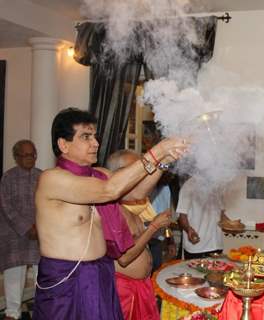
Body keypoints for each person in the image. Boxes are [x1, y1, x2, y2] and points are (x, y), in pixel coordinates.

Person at [32, 107, 188, 319]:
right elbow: (109, 191)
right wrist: (157, 151)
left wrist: (164, 160)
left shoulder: (100, 174)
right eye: (86, 137)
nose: (95, 143)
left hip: (101, 273)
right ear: (63, 144)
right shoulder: (52, 179)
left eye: (95, 136)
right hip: (68, 278)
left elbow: (137, 192)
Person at [107, 150, 172, 320]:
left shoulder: (132, 205)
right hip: (124, 292)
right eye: (137, 169)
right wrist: (154, 226)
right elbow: (125, 257)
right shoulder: (112, 209)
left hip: (141, 286)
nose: (142, 175)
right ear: (119, 174)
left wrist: (166, 159)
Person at [0, 140, 41, 320]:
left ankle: (42, 310)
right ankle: (12, 312)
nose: (30, 158)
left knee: (44, 272)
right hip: (14, 234)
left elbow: (50, 204)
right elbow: (6, 206)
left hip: (40, 232)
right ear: (16, 157)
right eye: (26, 155)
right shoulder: (7, 178)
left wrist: (38, 227)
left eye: (33, 154)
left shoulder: (43, 176)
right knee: (15, 273)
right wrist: (26, 227)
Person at [177, 175, 227, 259]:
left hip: (216, 245)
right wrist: (188, 229)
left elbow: (221, 214)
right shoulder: (189, 186)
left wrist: (232, 225)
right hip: (197, 246)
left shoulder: (217, 186)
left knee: (217, 272)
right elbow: (182, 216)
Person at [149, 172, 177, 270]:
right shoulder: (144, 188)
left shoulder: (165, 188)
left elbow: (166, 219)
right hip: (143, 243)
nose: (172, 176)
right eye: (169, 173)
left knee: (156, 270)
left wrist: (170, 241)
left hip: (157, 241)